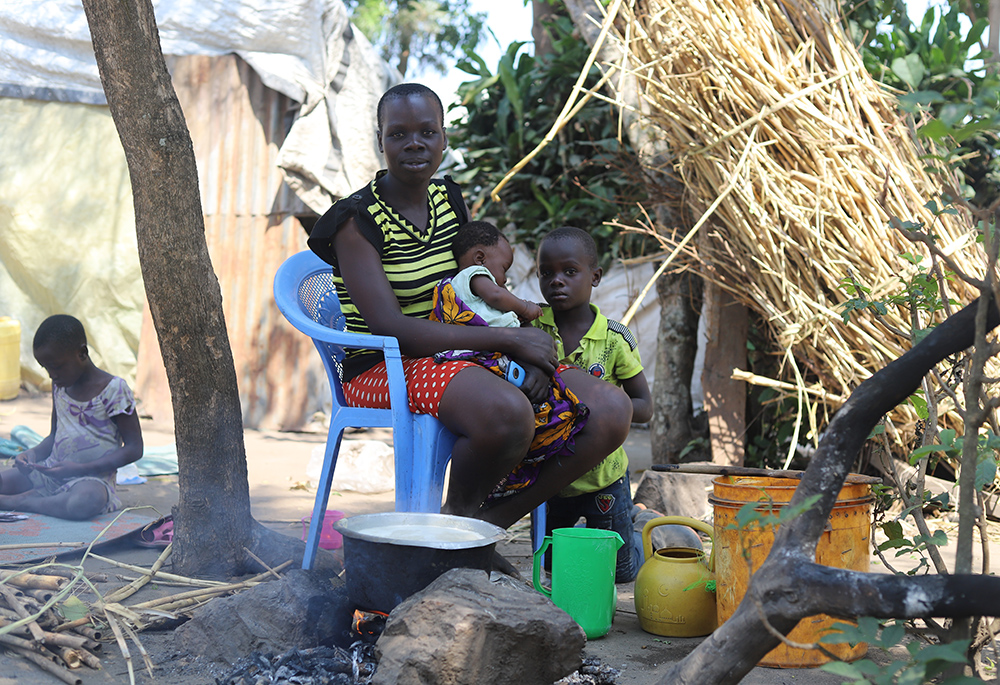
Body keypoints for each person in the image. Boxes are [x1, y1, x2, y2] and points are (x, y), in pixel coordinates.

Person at [306, 83, 633, 528]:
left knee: (611, 409)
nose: (415, 143)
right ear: (380, 141)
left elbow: (475, 290)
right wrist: (508, 340)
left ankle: (482, 528)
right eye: (398, 134)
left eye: (427, 131)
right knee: (506, 412)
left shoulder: (448, 200)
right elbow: (391, 327)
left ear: (444, 138)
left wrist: (520, 350)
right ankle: (455, 528)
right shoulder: (355, 222)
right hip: (388, 366)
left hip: (468, 351)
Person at [534, 226, 700, 582]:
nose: (557, 281)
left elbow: (645, 406)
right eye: (546, 273)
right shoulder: (533, 330)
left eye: (569, 271)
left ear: (595, 276)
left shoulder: (614, 338)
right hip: (551, 476)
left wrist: (600, 407)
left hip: (604, 476)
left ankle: (644, 525)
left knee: (621, 571)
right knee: (551, 568)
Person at [429, 220, 589, 502]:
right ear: (480, 259)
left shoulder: (473, 284)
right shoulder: (474, 276)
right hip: (487, 350)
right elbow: (496, 294)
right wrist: (524, 306)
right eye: (503, 269)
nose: (503, 279)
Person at [0, 315, 143, 520]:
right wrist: (31, 454)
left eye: (56, 366)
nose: (51, 375)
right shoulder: (61, 386)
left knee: (84, 501)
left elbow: (134, 448)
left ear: (82, 353)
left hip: (90, 480)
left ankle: (21, 502)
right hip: (49, 474)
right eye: (45, 368)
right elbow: (54, 437)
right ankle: (38, 499)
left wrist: (81, 469)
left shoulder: (114, 390)